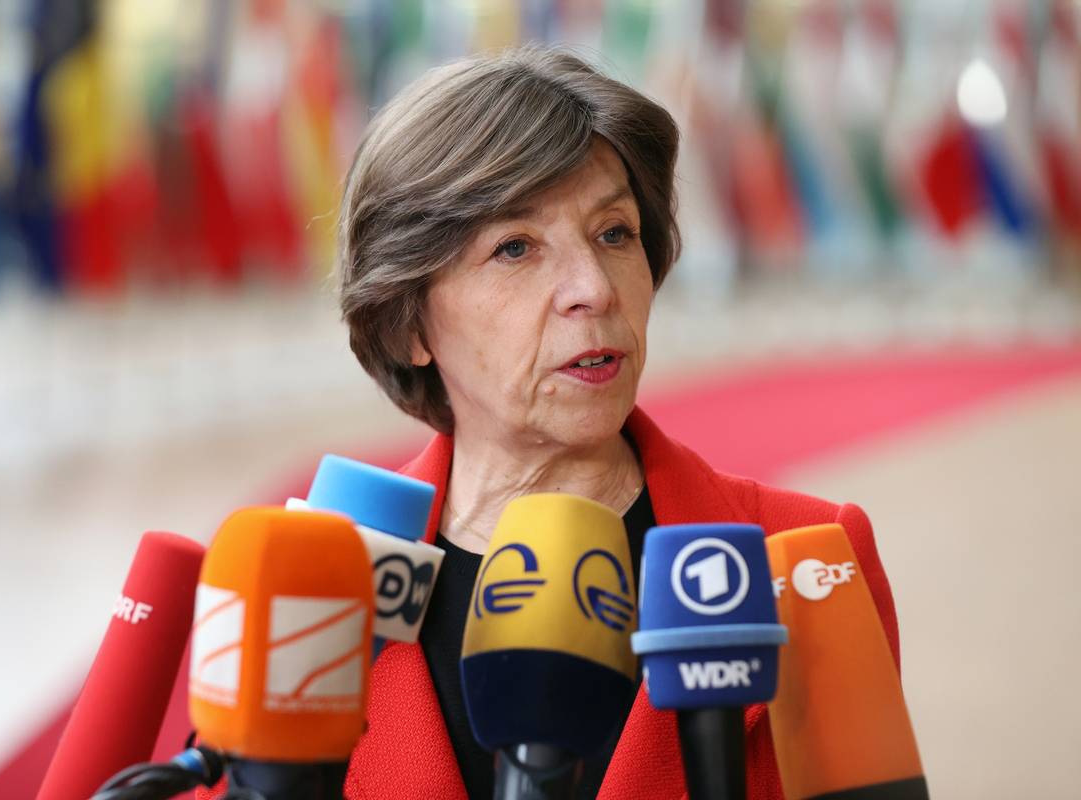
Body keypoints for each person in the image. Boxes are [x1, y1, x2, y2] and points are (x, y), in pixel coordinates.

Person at [336, 45, 899, 800]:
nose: (593, 289)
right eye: (515, 247)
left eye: (614, 233)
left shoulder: (804, 561)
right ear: (409, 324)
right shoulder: (317, 583)